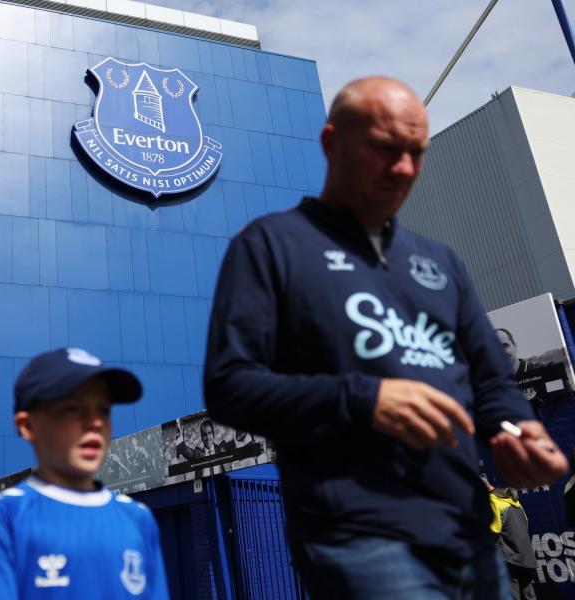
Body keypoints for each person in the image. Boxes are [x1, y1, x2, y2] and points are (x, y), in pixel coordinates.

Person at [203, 76, 568, 599]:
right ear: (332, 144)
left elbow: (492, 382)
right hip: (360, 533)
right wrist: (362, 398)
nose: (403, 168)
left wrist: (517, 431)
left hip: (470, 532)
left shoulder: (442, 264)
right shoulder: (272, 246)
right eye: (384, 148)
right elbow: (228, 385)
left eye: (415, 152)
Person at [0, 347, 169, 599]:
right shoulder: (3, 516)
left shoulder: (137, 518)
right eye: (72, 408)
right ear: (28, 426)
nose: (95, 422)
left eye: (103, 410)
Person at [486, 478, 538, 600]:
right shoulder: (515, 501)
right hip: (527, 559)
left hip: (510, 560)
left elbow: (494, 529)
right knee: (529, 596)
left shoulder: (492, 500)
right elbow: (526, 522)